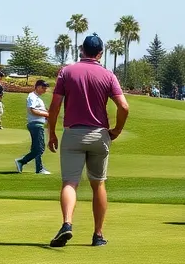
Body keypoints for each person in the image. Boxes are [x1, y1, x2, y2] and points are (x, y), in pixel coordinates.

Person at [46, 34, 129, 248]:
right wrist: (117, 130)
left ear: (82, 49)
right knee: (98, 183)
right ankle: (98, 235)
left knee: (70, 182)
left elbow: (54, 106)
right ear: (100, 53)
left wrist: (52, 133)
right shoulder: (108, 75)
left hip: (73, 134)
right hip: (99, 134)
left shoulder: (67, 72)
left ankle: (67, 223)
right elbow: (124, 106)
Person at [15, 79, 51, 174]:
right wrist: (47, 115)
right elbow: (32, 110)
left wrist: (47, 115)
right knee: (40, 148)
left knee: (36, 148)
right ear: (38, 87)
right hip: (35, 124)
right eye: (43, 88)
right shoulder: (32, 96)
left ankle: (39, 168)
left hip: (39, 124)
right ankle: (22, 161)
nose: (45, 90)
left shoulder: (38, 98)